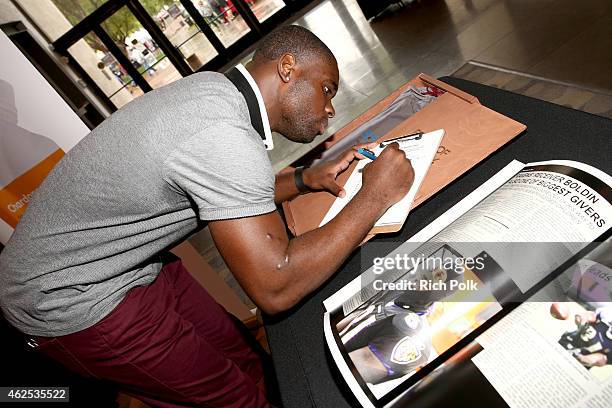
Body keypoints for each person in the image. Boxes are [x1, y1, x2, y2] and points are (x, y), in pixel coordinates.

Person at [0, 25, 414, 406]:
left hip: (130, 264)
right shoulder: (223, 135)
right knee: (236, 401)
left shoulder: (215, 90)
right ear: (288, 68)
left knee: (245, 357)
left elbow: (224, 190)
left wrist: (304, 179)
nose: (330, 110)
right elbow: (275, 286)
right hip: (70, 301)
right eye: (326, 90)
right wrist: (374, 197)